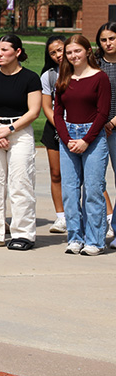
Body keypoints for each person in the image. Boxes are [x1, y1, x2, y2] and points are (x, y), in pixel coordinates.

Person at [0, 34, 41, 250]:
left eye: (5, 50)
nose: (0, 54)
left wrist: (9, 130)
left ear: (18, 52)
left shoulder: (30, 78)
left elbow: (34, 111)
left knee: (21, 183)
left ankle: (23, 234)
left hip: (19, 132)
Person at [54, 35, 110, 256]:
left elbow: (103, 112)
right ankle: (75, 237)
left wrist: (86, 140)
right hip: (68, 137)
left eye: (77, 51)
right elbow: (58, 113)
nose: (73, 55)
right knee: (69, 191)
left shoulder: (100, 77)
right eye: (69, 52)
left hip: (93, 137)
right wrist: (67, 138)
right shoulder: (64, 78)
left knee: (93, 190)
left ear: (87, 51)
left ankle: (95, 240)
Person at [40, 36, 68, 234]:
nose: (58, 55)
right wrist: (60, 127)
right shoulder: (49, 76)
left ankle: (106, 218)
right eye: (53, 52)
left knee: (88, 177)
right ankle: (61, 217)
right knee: (56, 174)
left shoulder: (84, 71)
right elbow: (46, 106)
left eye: (61, 49)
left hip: (81, 128)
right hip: (55, 128)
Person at [93, 22, 116, 247]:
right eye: (103, 40)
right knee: (95, 182)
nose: (108, 43)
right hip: (96, 129)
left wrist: (113, 121)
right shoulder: (95, 64)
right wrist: (101, 122)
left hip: (114, 128)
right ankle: (96, 231)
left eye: (112, 38)